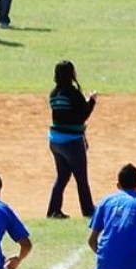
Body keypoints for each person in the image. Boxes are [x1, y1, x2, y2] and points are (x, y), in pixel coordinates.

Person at [47, 60, 97, 219]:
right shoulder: (73, 93)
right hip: (72, 142)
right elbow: (82, 116)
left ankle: (53, 210)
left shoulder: (54, 93)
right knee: (81, 178)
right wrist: (92, 101)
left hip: (55, 141)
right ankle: (88, 210)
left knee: (62, 176)